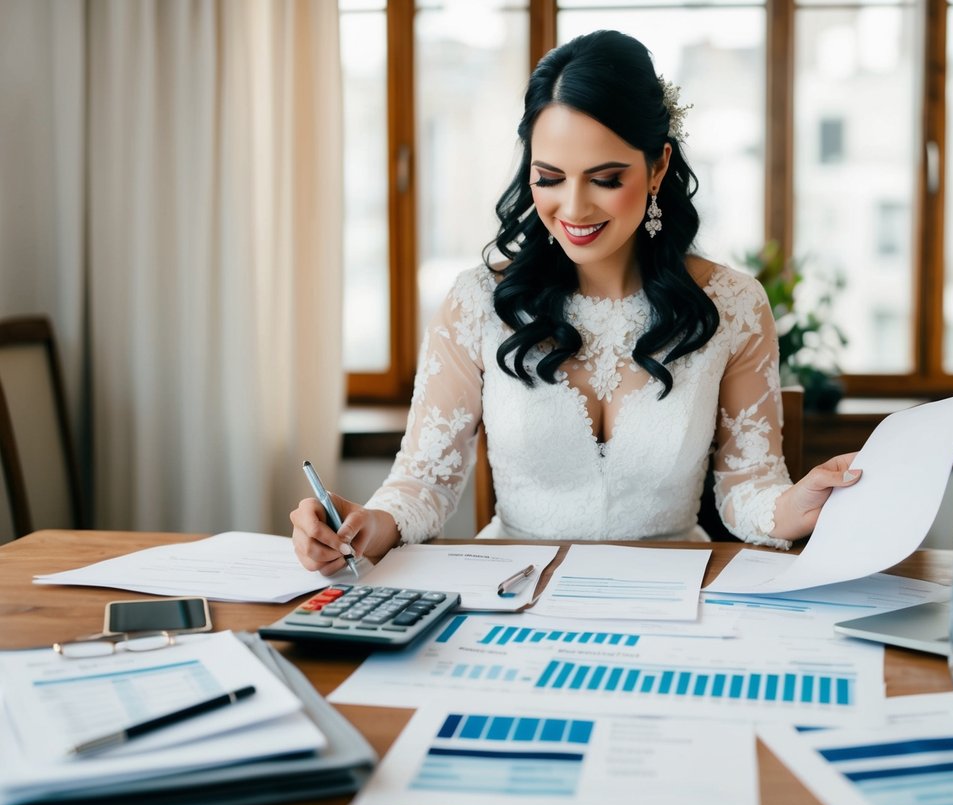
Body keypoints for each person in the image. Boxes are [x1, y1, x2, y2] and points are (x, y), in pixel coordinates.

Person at [291, 29, 860, 576]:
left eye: (606, 178)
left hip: (673, 594)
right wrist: (368, 523)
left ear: (658, 166)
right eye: (550, 177)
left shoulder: (733, 305)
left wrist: (796, 505)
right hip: (512, 592)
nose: (574, 207)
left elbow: (750, 485)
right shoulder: (477, 302)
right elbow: (424, 481)